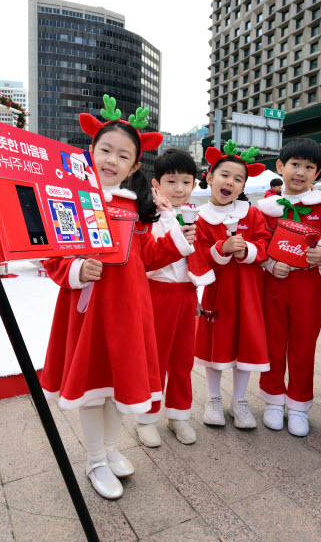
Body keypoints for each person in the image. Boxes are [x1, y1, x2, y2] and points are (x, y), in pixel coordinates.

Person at [40, 96, 195, 500]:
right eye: (105, 150)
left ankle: (110, 450)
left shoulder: (134, 207)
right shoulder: (68, 196)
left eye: (123, 155)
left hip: (128, 312)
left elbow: (143, 259)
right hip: (89, 310)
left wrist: (175, 231)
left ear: (134, 165)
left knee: (115, 386)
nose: (112, 160)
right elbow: (51, 253)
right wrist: (74, 270)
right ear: (90, 151)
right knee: (93, 389)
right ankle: (94, 460)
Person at [256, 139, 321, 436]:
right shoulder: (265, 208)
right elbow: (257, 242)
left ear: (317, 174)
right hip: (272, 284)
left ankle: (299, 405)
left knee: (303, 345)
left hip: (308, 288)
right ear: (281, 167)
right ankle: (273, 401)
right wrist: (271, 264)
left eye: (308, 167)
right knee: (273, 343)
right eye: (295, 165)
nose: (300, 172)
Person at [135, 148, 215, 448]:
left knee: (182, 360)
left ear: (194, 184)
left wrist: (196, 294)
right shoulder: (149, 217)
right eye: (171, 181)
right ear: (157, 184)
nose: (179, 188)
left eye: (185, 181)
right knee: (154, 361)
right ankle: (146, 418)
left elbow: (198, 261)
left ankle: (179, 414)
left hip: (185, 296)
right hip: (156, 295)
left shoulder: (196, 216)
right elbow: (148, 259)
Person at [193, 141, 270, 429]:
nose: (231, 182)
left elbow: (265, 244)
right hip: (217, 294)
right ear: (210, 177)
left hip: (249, 293)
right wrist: (221, 249)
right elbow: (198, 258)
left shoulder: (251, 213)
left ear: (243, 187)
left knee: (245, 345)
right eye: (225, 175)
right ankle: (213, 399)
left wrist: (248, 249)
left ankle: (239, 401)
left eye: (239, 179)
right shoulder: (200, 218)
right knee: (217, 346)